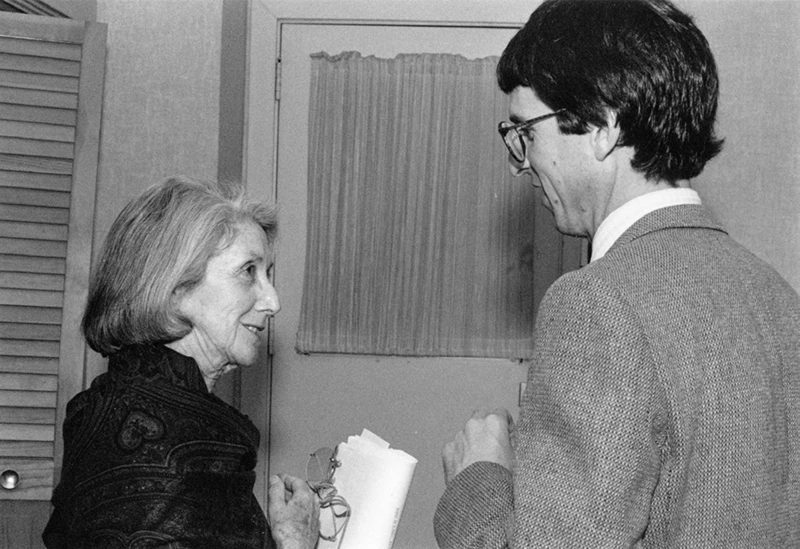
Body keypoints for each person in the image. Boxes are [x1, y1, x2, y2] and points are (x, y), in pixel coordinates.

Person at [434, 0, 800, 547]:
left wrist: (476, 479)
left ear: (603, 125)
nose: (523, 161)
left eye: (526, 132)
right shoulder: (774, 293)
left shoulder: (595, 303)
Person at [43, 176, 320, 549]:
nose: (273, 301)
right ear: (175, 290)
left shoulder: (116, 408)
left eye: (267, 275)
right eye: (248, 272)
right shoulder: (175, 449)